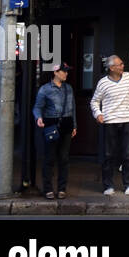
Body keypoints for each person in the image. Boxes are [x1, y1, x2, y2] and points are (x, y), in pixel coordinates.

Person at [90, 55, 129, 196]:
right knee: (108, 155)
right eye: (120, 64)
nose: (123, 66)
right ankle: (108, 186)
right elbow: (94, 101)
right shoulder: (103, 83)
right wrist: (98, 114)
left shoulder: (128, 77)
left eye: (122, 63)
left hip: (127, 121)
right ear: (112, 68)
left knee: (128, 154)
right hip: (110, 122)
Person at [33, 63, 77, 199]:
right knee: (49, 158)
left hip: (67, 123)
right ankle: (48, 189)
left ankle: (62, 188)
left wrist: (74, 125)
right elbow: (37, 107)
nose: (66, 74)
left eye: (67, 71)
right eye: (64, 71)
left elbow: (73, 108)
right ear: (56, 72)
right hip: (51, 123)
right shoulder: (45, 89)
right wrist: (38, 118)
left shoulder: (68, 88)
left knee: (64, 158)